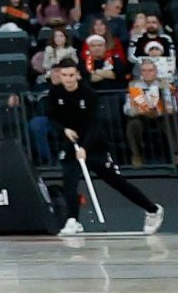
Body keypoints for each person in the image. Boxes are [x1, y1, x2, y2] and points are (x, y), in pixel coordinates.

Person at [42, 60, 165, 237]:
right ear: (59, 75)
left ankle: (152, 210)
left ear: (77, 74)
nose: (68, 79)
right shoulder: (55, 94)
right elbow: (52, 118)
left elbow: (94, 125)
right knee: (69, 181)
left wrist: (85, 147)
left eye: (71, 75)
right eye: (64, 75)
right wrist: (64, 130)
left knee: (116, 182)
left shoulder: (88, 94)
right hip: (71, 144)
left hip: (95, 145)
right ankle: (72, 220)